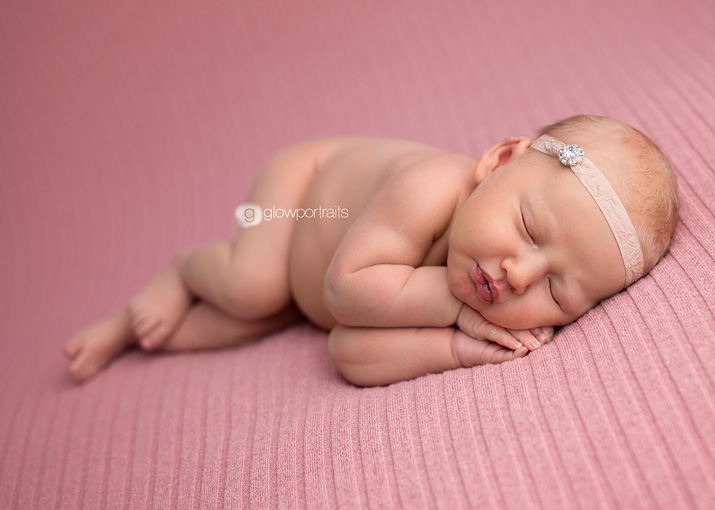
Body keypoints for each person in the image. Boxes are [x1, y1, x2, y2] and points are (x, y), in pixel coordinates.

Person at [64, 115, 680, 386]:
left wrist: (458, 350)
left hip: (322, 289)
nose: (521, 274)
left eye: (558, 291)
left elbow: (346, 349)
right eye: (527, 227)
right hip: (304, 196)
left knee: (255, 322)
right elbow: (345, 292)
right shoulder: (431, 187)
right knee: (254, 287)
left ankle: (138, 337)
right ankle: (182, 272)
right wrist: (457, 310)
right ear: (496, 163)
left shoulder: (481, 291)